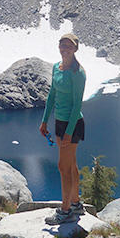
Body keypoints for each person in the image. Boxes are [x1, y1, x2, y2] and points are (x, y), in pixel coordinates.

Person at [39, 32, 87, 225]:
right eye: (62, 45)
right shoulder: (56, 68)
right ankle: (75, 203)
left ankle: (65, 211)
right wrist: (44, 121)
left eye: (69, 46)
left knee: (62, 167)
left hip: (72, 124)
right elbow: (52, 94)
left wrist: (68, 132)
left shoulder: (78, 73)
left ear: (75, 48)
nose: (65, 49)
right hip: (59, 123)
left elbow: (77, 105)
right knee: (70, 164)